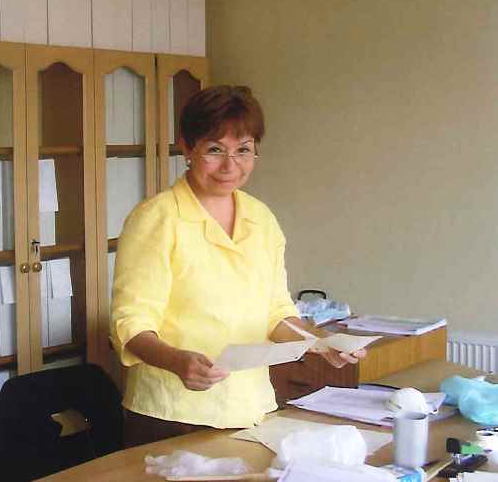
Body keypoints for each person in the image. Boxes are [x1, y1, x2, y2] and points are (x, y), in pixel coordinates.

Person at [110, 84, 365, 448]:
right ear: (187, 148)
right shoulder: (157, 218)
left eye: (243, 150)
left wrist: (322, 343)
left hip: (250, 409)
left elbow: (277, 315)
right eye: (215, 150)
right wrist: (178, 361)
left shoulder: (261, 219)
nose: (230, 166)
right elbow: (131, 325)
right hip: (172, 414)